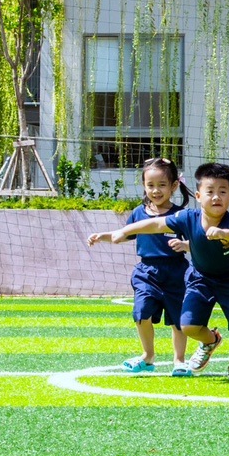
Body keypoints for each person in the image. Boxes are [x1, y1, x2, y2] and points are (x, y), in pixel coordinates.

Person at [87, 157, 192, 376]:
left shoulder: (181, 216)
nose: (155, 190)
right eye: (150, 185)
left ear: (174, 186)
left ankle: (179, 360)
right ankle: (147, 356)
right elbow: (125, 234)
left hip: (176, 272)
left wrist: (185, 245)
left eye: (162, 185)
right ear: (144, 186)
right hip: (146, 273)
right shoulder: (139, 212)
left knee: (177, 319)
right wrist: (102, 236)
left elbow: (197, 243)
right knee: (141, 313)